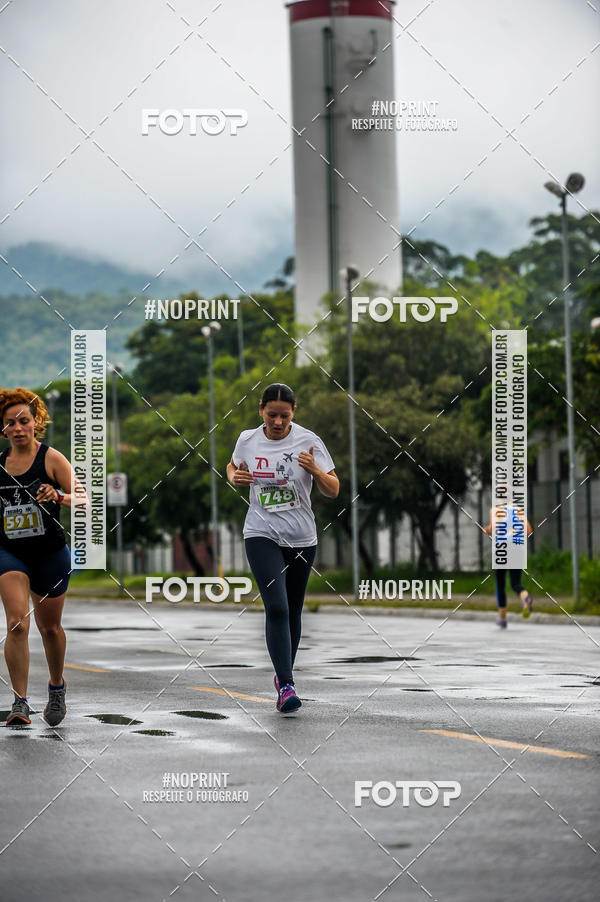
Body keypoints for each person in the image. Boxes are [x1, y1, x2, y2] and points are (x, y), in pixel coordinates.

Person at [227, 383, 339, 713]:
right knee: (276, 606)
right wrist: (235, 477)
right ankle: (287, 685)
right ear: (261, 409)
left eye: (284, 416)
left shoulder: (309, 440)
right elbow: (232, 466)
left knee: (293, 608)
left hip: (302, 537)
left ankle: (282, 675)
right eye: (272, 414)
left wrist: (315, 469)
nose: (278, 422)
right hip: (261, 532)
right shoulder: (248, 439)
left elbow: (333, 489)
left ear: (294, 413)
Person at [0, 388, 79, 726]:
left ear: (36, 422)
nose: (18, 428)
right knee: (17, 622)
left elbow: (84, 498)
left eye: (24, 421)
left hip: (49, 552)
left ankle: (57, 686)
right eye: (9, 423)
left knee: (50, 628)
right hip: (9, 552)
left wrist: (59, 496)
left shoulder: (51, 458)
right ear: (3, 429)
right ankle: (20, 702)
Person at [483, 505, 533, 628]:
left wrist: (488, 530)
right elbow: (528, 530)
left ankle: (502, 618)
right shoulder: (518, 510)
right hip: (516, 548)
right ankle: (525, 597)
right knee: (515, 583)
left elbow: (494, 526)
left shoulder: (494, 510)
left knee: (500, 584)